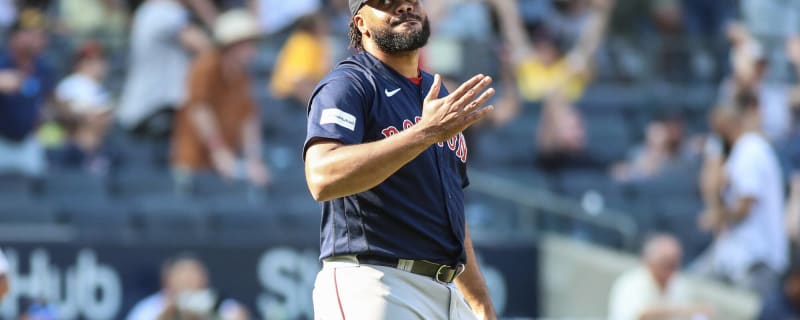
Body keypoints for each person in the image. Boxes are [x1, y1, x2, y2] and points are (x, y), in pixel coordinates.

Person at [303, 0, 497, 319]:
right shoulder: (349, 85)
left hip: (447, 291)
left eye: (411, 1)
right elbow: (322, 177)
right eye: (387, 3)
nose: (404, 7)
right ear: (361, 23)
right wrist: (425, 133)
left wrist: (480, 303)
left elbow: (450, 211)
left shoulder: (435, 93)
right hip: (375, 282)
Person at [693, 103, 787, 298]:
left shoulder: (750, 150)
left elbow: (745, 206)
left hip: (757, 258)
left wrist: (718, 214)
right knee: (693, 287)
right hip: (737, 255)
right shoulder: (737, 152)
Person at [171, 9, 270, 189]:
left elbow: (248, 118)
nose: (252, 50)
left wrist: (254, 159)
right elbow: (199, 109)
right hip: (194, 163)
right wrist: (218, 150)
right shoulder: (205, 66)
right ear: (231, 45)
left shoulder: (242, 76)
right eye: (247, 44)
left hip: (223, 166)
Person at [116, 0, 211, 140]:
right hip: (152, 112)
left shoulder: (152, 10)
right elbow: (207, 49)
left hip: (152, 112)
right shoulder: (163, 10)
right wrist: (205, 9)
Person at [488, 0, 612, 103]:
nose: (542, 48)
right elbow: (514, 33)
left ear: (556, 52)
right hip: (526, 118)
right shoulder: (531, 65)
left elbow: (588, 46)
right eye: (540, 45)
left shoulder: (567, 68)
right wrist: (505, 8)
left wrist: (601, 13)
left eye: (547, 47)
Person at [0, 8, 54, 178]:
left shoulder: (44, 69)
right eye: (29, 33)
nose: (36, 39)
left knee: (41, 186)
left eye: (39, 34)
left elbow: (47, 102)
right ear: (14, 37)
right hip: (2, 140)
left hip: (28, 142)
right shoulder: (2, 64)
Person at [608, 234, 712, 320]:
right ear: (649, 261)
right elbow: (638, 315)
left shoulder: (679, 284)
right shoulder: (630, 283)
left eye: (674, 265)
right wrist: (686, 310)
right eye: (665, 264)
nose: (670, 271)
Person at [126, 253, 248, 320]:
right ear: (167, 279)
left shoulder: (222, 305)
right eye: (182, 274)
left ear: (205, 278)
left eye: (193, 274)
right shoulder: (150, 308)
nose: (189, 280)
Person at [53, 41, 113, 172]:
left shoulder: (99, 88)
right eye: (90, 61)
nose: (99, 65)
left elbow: (105, 116)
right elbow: (65, 112)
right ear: (80, 63)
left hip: (97, 148)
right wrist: (86, 114)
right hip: (75, 147)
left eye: (100, 60)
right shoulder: (72, 83)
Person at [269, 13, 331, 106]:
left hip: (304, 98)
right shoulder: (303, 43)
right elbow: (299, 81)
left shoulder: (318, 43)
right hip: (289, 102)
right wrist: (318, 107)